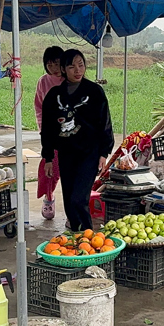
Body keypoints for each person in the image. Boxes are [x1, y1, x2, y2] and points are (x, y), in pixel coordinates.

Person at [40, 49, 114, 232]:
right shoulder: (53, 96)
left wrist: (104, 152)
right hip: (67, 154)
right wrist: (48, 157)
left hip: (89, 153)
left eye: (80, 65)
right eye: (72, 66)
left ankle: (88, 236)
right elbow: (47, 129)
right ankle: (77, 235)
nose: (77, 70)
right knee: (68, 200)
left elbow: (105, 123)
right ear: (63, 69)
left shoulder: (94, 92)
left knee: (79, 199)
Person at [35, 46, 65, 220]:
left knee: (71, 170)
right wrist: (42, 128)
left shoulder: (70, 79)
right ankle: (49, 196)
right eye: (50, 64)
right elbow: (39, 107)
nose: (54, 67)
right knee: (50, 167)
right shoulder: (43, 82)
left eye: (57, 63)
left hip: (72, 135)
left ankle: (72, 206)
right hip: (51, 133)